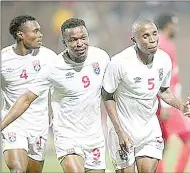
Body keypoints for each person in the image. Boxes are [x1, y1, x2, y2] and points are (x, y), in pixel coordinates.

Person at [1, 18, 110, 173]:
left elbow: (111, 92)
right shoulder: (53, 67)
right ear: (65, 43)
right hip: (63, 134)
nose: (79, 43)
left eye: (83, 38)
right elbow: (26, 99)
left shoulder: (101, 57)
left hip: (91, 135)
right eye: (73, 40)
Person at [102, 19, 190, 173]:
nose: (152, 39)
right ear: (134, 40)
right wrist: (120, 132)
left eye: (154, 34)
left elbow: (164, 91)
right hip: (123, 128)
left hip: (150, 128)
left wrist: (181, 105)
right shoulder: (119, 62)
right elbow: (107, 96)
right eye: (145, 36)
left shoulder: (164, 60)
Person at [1, 15, 57, 173]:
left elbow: (60, 86)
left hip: (39, 125)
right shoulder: (3, 59)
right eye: (36, 31)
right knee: (17, 169)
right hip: (13, 123)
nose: (41, 35)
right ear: (20, 35)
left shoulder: (49, 57)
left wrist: (54, 109)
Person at [154, 13, 190, 173]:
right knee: (189, 140)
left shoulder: (164, 43)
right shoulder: (163, 44)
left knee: (161, 144)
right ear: (167, 25)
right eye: (174, 24)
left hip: (167, 101)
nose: (176, 28)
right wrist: (166, 104)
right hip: (166, 103)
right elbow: (162, 76)